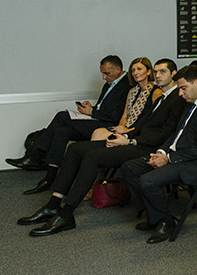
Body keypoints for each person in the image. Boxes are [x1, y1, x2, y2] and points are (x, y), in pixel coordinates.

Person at [17, 59, 185, 236]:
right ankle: (53, 204)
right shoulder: (163, 97)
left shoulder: (176, 98)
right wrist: (125, 136)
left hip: (146, 148)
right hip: (135, 140)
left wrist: (130, 141)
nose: (158, 75)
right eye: (156, 72)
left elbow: (166, 134)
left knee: (92, 156)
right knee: (75, 149)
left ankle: (66, 214)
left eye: (162, 72)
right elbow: (142, 124)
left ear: (174, 74)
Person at [119, 65, 197, 243]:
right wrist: (161, 151)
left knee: (147, 181)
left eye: (183, 88)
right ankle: (154, 216)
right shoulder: (191, 103)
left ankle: (165, 222)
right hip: (179, 155)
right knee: (129, 168)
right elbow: (176, 134)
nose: (180, 93)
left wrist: (168, 158)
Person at [5, 54, 128, 177]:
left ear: (117, 69)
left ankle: (36, 156)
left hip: (108, 126)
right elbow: (105, 109)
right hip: (97, 120)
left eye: (106, 73)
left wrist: (92, 112)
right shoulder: (109, 84)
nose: (103, 77)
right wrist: (91, 108)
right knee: (62, 131)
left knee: (62, 116)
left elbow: (116, 116)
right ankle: (50, 176)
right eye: (103, 73)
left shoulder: (127, 86)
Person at [90, 57, 156, 140]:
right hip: (126, 126)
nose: (135, 73)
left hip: (138, 130)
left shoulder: (156, 91)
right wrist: (121, 127)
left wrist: (129, 130)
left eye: (139, 69)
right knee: (98, 133)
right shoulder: (132, 91)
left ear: (149, 71)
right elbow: (124, 116)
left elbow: (152, 119)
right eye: (133, 70)